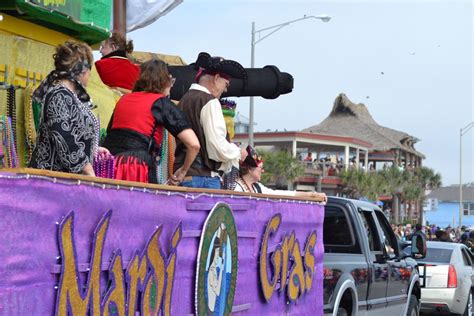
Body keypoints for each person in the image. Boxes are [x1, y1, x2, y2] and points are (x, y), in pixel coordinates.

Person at [103, 59, 200, 184]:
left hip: (109, 168)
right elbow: (194, 144)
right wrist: (183, 170)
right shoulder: (160, 103)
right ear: (163, 80)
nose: (171, 85)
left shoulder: (123, 100)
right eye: (170, 80)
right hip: (136, 169)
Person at [29, 40, 109, 176]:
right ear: (82, 71)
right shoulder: (58, 95)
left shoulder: (72, 97)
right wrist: (87, 168)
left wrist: (94, 149)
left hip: (63, 180)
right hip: (50, 180)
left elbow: (75, 133)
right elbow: (63, 136)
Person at [174, 52, 248, 189]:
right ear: (217, 78)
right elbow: (216, 145)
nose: (225, 89)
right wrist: (238, 152)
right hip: (204, 179)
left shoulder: (183, 101)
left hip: (185, 177)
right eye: (226, 84)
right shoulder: (209, 101)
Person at [233, 146, 327, 201]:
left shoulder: (257, 188)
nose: (263, 171)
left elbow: (281, 194)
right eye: (260, 168)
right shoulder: (236, 187)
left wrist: (311, 195)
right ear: (250, 169)